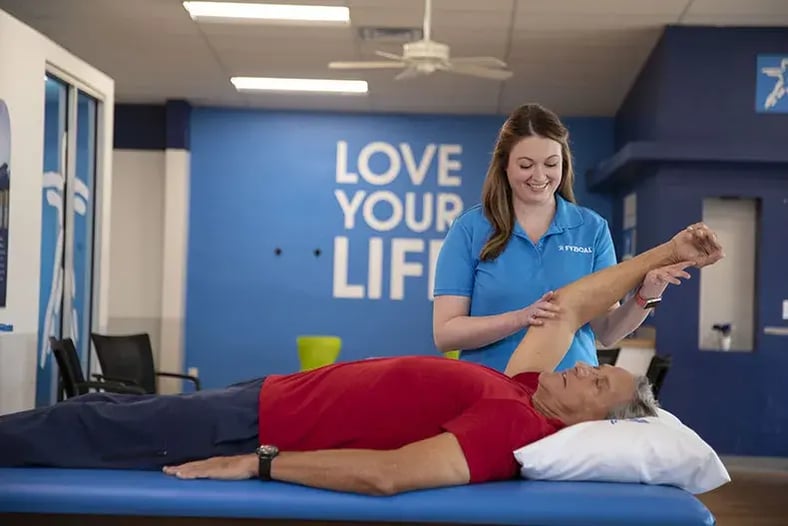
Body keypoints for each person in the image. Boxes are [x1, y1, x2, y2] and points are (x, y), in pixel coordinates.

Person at [0, 222, 723, 496]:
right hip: (273, 393)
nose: (584, 363)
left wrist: (261, 462)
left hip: (253, 425)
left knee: (81, 430)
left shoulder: (516, 433)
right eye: (596, 363)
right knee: (96, 410)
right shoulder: (525, 391)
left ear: (594, 421)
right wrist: (664, 253)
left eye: (597, 379)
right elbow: (566, 306)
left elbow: (387, 475)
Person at [433, 103, 689, 372]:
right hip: (492, 391)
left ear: (564, 164)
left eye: (551, 164)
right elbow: (446, 332)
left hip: (571, 397)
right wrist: (520, 318)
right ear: (504, 166)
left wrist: (648, 294)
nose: (540, 176)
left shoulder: (592, 229)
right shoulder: (470, 228)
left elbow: (608, 331)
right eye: (526, 165)